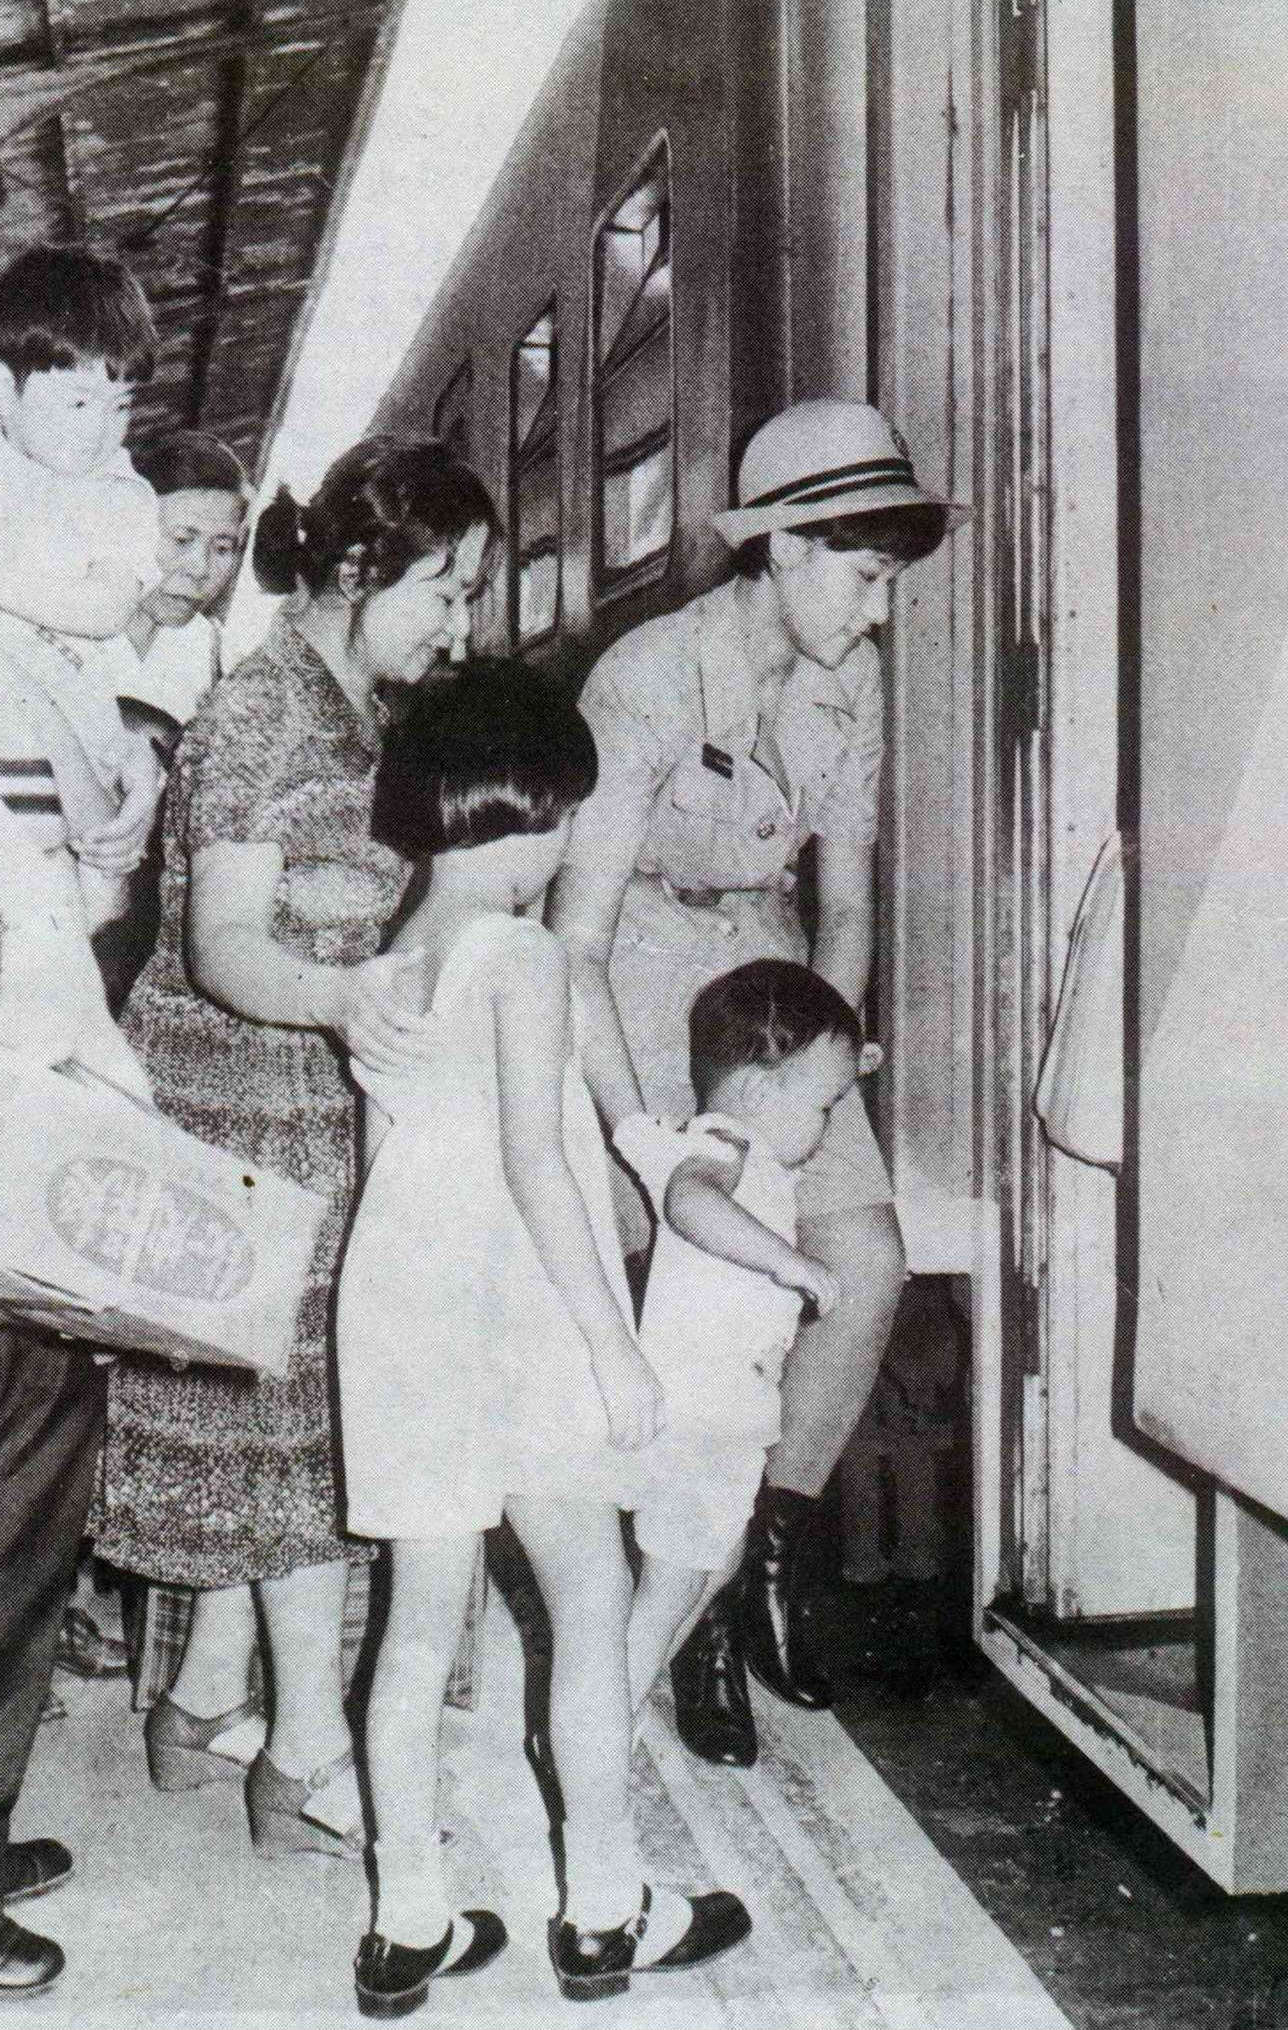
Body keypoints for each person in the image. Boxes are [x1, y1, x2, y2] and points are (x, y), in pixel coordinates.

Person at [91, 436, 499, 1865]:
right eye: (446, 589)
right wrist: (342, 998)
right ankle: (306, 1749)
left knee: (273, 1432)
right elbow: (222, 944)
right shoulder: (264, 712)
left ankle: (206, 1700)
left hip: (312, 1098)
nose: (461, 625)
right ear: (359, 569)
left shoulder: (359, 703)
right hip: (242, 1106)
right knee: (300, 1434)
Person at [548, 399, 966, 1767]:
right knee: (675, 1285)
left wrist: (823, 1051)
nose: (880, 608)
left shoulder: (849, 682)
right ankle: (690, 1609)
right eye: (864, 574)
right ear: (783, 548)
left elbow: (842, 900)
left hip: (772, 974)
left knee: (866, 1254)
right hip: (639, 965)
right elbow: (577, 936)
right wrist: (635, 1133)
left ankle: (762, 1548)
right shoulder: (649, 677)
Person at [337, 666, 751, 2016]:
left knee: (414, 1627)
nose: (572, 839)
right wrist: (612, 1346)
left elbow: (386, 1158)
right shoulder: (521, 956)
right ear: (519, 811)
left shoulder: (390, 956)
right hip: (517, 1303)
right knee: (588, 1598)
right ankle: (605, 1905)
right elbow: (536, 1160)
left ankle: (407, 1918)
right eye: (566, 813)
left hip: (402, 1304)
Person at [618, 960, 875, 1715]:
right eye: (825, 1105)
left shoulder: (748, 1155)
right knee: (671, 1587)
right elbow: (689, 1204)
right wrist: (787, 1262)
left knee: (713, 1567)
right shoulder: (721, 1146)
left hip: (730, 1419)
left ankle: (610, 1705)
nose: (827, 1128)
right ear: (761, 1092)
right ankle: (600, 1719)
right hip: (696, 1417)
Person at [0, 243, 164, 938]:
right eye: (75, 401)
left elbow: (105, 609)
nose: (99, 430)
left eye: (119, 405)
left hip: (82, 737)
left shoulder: (120, 496)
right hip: (17, 744)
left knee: (92, 909)